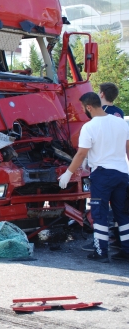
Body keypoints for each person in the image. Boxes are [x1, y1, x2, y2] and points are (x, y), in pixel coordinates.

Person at [59, 92, 129, 262]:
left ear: (88, 107)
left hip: (102, 175)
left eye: (83, 108)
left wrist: (68, 173)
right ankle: (127, 252)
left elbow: (81, 153)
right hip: (122, 174)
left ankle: (101, 252)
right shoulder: (121, 123)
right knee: (123, 214)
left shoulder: (89, 127)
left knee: (99, 214)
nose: (83, 110)